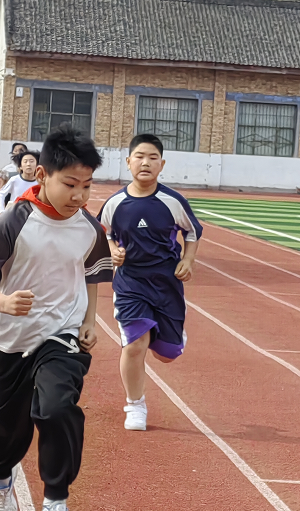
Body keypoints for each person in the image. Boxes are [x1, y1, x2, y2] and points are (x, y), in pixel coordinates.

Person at [0, 125, 112, 511]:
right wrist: (2, 302)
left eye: (87, 185)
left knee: (57, 408)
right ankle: (0, 481)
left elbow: (91, 274)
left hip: (61, 334)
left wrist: (89, 320)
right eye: (71, 185)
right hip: (10, 339)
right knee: (4, 425)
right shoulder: (13, 222)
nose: (80, 196)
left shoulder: (89, 228)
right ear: (43, 175)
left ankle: (55, 503)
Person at [97, 134, 203, 431]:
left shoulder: (172, 201)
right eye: (140, 157)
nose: (145, 162)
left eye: (153, 157)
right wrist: (112, 250)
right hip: (130, 283)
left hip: (166, 283)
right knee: (135, 345)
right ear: (128, 162)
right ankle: (135, 405)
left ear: (162, 164)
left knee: (167, 354)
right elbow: (104, 232)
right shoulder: (115, 203)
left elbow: (192, 232)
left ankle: (168, 335)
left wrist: (188, 260)